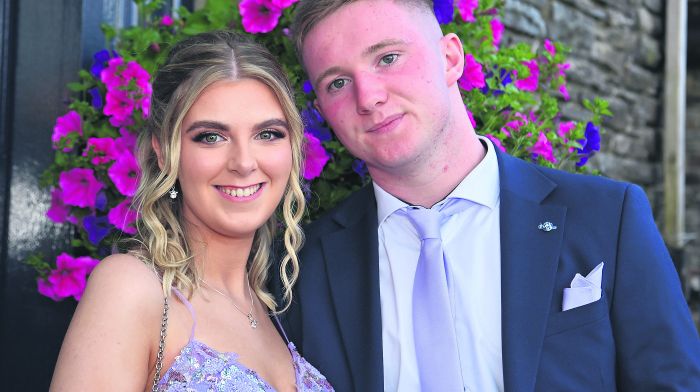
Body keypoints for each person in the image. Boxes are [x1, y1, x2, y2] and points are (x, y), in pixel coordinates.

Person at [283, 1, 700, 391]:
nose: (368, 97)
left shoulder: (608, 218)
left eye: (388, 58)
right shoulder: (304, 269)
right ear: (320, 106)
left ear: (450, 58)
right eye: (337, 82)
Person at [50, 31, 333, 391]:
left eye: (268, 134)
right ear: (165, 151)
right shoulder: (132, 288)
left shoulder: (270, 309)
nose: (244, 163)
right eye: (211, 136)